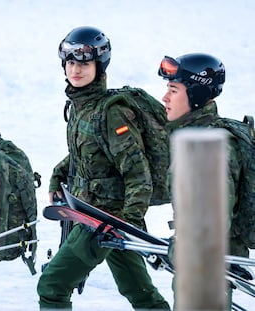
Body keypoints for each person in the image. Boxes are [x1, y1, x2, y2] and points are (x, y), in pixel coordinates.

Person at [37, 26, 171, 310]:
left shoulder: (111, 111)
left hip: (104, 221)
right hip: (97, 216)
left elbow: (138, 173)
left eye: (84, 63)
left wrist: (128, 223)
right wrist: (58, 176)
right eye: (70, 62)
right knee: (140, 294)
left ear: (100, 65)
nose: (76, 69)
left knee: (52, 285)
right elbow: (87, 154)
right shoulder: (81, 106)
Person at [158, 52, 252, 308]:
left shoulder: (208, 146)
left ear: (196, 96)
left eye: (174, 90)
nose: (165, 98)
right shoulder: (196, 136)